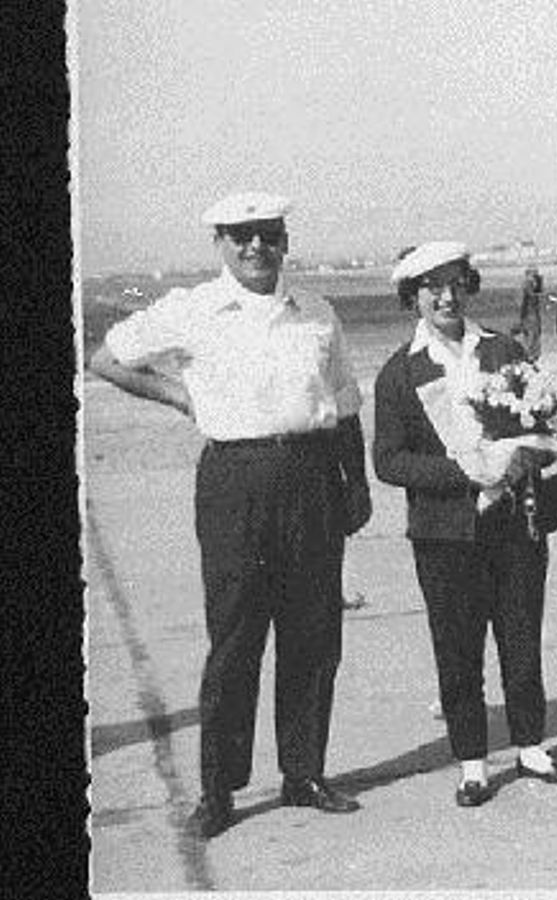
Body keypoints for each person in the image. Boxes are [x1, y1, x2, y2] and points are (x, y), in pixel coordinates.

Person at [87, 192, 369, 838]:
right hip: (234, 483)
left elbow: (346, 404)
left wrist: (355, 487)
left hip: (313, 476)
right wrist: (180, 398)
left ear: (284, 239)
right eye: (240, 236)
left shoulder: (317, 311)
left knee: (313, 634)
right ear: (220, 243)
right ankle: (219, 791)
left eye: (267, 234)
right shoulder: (193, 309)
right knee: (236, 638)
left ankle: (304, 774)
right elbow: (107, 358)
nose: (255, 248)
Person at [372, 242, 557, 807]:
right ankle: (471, 761)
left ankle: (532, 746)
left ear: (468, 287)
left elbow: (544, 421)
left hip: (515, 525)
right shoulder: (398, 373)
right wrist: (462, 470)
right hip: (445, 536)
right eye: (429, 287)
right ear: (411, 297)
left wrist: (523, 459)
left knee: (521, 639)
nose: (444, 296)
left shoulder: (504, 349)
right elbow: (388, 461)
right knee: (458, 649)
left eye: (453, 284)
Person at [517, 265, 547, 360]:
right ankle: (530, 353)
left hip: (531, 312)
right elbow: (528, 297)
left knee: (533, 333)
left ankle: (533, 353)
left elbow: (537, 293)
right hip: (530, 312)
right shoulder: (527, 283)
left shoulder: (530, 283)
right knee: (532, 333)